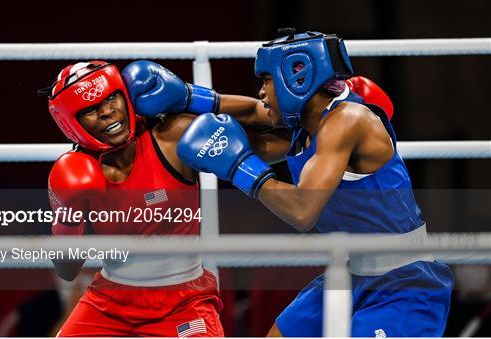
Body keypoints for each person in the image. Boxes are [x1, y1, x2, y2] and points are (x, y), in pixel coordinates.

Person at [125, 29, 454, 336]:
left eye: (266, 80)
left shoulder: (347, 121)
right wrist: (185, 98)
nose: (261, 91)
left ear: (297, 75)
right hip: (353, 272)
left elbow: (302, 210)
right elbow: (255, 114)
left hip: (404, 281)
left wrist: (239, 165)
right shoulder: (307, 129)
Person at [38, 60, 224, 336]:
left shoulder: (169, 138)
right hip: (109, 303)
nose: (107, 112)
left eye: (111, 97)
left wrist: (192, 96)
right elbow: (67, 271)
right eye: (90, 109)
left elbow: (262, 122)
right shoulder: (75, 173)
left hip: (183, 302)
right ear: (72, 123)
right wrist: (66, 219)